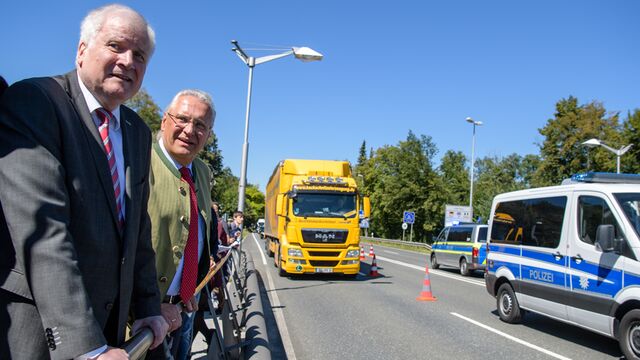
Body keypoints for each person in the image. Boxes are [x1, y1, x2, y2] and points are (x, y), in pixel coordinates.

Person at [0, 4, 168, 359]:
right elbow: (43, 229)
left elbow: (137, 230)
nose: (127, 61)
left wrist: (148, 307)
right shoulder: (36, 102)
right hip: (40, 330)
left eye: (139, 55)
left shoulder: (137, 131)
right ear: (81, 50)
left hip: (109, 328)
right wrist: (85, 346)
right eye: (115, 46)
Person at [146, 89, 216, 360]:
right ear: (164, 121)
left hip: (184, 309)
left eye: (200, 125)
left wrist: (190, 285)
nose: (190, 130)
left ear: (208, 135)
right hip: (144, 320)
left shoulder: (202, 172)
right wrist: (149, 306)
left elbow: (197, 232)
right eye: (182, 119)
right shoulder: (140, 160)